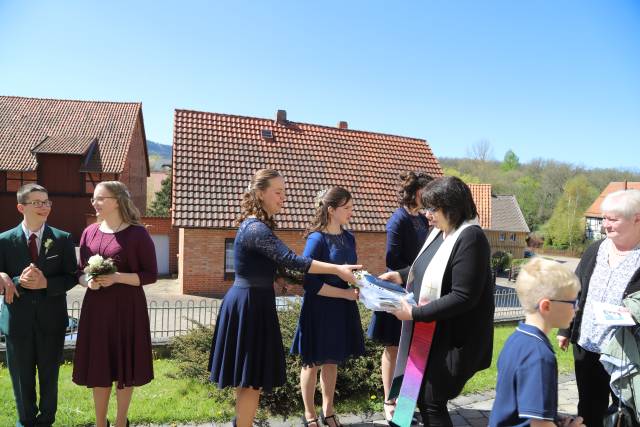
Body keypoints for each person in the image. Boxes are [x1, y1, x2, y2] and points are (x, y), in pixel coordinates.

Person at [208, 169, 362, 427]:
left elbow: (274, 264)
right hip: (249, 305)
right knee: (250, 380)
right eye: (278, 191)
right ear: (259, 193)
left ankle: (242, 423)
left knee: (250, 379)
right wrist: (337, 269)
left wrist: (279, 277)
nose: (284, 197)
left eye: (284, 191)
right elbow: (292, 260)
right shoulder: (256, 228)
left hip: (254, 301)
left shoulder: (256, 226)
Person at [383, 176, 494, 426]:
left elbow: (464, 296)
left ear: (452, 207)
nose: (427, 215)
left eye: (433, 209)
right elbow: (426, 267)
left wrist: (414, 314)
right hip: (427, 333)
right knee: (411, 394)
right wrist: (400, 275)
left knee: (431, 400)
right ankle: (400, 423)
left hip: (452, 339)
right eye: (426, 208)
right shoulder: (440, 232)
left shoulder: (471, 238)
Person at [72, 181, 158, 427]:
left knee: (124, 367)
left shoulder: (137, 234)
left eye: (100, 198)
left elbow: (151, 274)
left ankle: (121, 422)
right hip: (96, 310)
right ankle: (101, 423)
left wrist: (118, 278)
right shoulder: (89, 232)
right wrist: (87, 282)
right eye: (93, 199)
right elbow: (78, 272)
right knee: (99, 367)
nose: (94, 203)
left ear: (117, 200)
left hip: (127, 310)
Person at [557, 189, 640, 427]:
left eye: (613, 219)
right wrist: (566, 328)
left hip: (626, 352)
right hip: (588, 345)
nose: (606, 225)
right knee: (588, 407)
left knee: (625, 412)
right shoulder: (596, 249)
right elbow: (574, 288)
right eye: (604, 219)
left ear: (637, 218)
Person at [0, 183, 77, 427]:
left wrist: (46, 283)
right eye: (38, 203)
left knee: (49, 377)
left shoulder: (63, 239)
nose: (44, 207)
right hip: (17, 322)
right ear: (21, 207)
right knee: (21, 379)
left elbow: (71, 276)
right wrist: (11, 279)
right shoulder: (3, 240)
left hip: (51, 321)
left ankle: (46, 422)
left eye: (47, 202)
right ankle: (25, 422)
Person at [290, 187, 365, 427]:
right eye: (347, 208)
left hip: (341, 309)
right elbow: (309, 283)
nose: (351, 212)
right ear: (331, 210)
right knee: (312, 363)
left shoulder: (349, 237)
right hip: (319, 308)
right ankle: (310, 415)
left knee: (332, 361)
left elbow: (352, 271)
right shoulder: (316, 239)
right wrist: (344, 293)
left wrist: (365, 285)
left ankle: (328, 411)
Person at [367, 171, 432, 421]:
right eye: (426, 192)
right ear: (416, 192)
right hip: (399, 294)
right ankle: (389, 402)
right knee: (394, 349)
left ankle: (406, 405)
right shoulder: (398, 220)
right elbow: (392, 261)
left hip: (420, 293)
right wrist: (414, 274)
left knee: (416, 349)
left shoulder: (424, 220)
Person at [489, 257, 585, 427]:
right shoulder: (539, 356)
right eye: (573, 302)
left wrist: (553, 417)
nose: (577, 308)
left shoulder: (517, 339)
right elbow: (539, 424)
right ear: (546, 306)